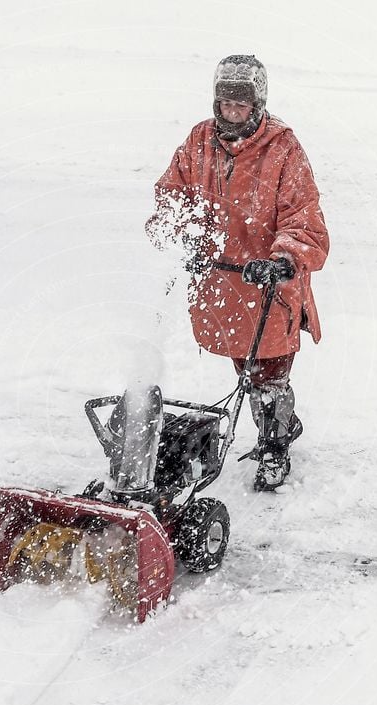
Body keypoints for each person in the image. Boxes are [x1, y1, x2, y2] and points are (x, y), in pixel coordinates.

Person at [145, 54, 330, 491]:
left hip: (269, 284)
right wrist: (179, 233)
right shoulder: (199, 140)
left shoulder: (283, 148)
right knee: (244, 370)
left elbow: (303, 216)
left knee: (268, 375)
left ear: (258, 104)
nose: (231, 114)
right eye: (224, 105)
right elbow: (172, 194)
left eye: (241, 107)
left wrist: (284, 258)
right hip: (221, 283)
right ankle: (279, 423)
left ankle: (275, 444)